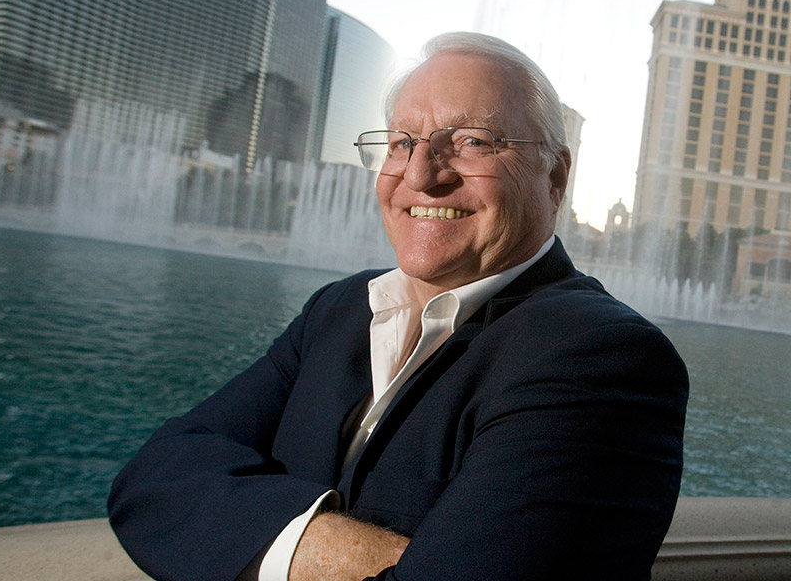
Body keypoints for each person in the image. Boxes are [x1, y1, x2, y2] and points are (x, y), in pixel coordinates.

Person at [108, 32, 688, 581]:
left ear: (555, 175)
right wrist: (345, 551)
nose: (419, 175)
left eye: (471, 142)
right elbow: (152, 482)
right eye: (401, 143)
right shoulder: (338, 310)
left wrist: (248, 528)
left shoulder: (602, 356)